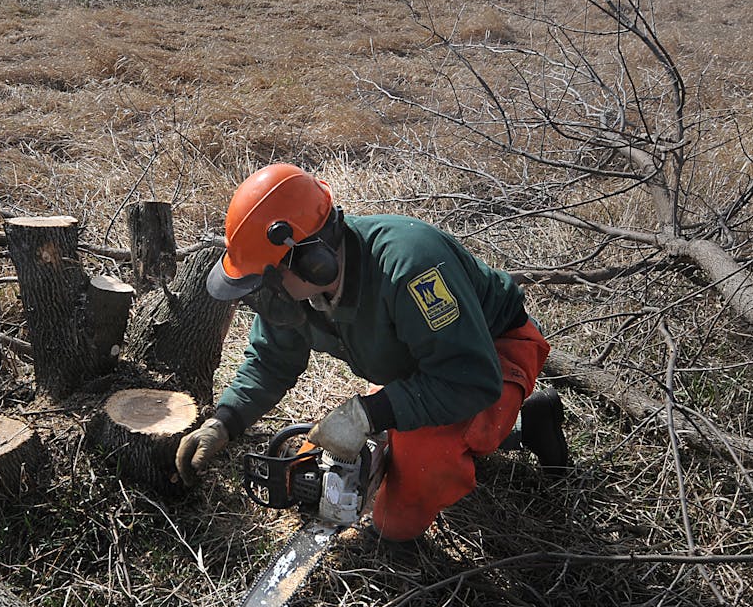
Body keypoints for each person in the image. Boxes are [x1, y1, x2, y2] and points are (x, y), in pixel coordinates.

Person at [175, 163, 567, 542]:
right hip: (424, 369)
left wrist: (371, 413)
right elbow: (269, 361)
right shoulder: (299, 294)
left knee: (414, 473)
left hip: (491, 359)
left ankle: (500, 430)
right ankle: (525, 427)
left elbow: (468, 378)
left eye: (269, 279)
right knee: (327, 456)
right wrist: (225, 421)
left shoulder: (410, 268)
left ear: (314, 261)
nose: (264, 294)